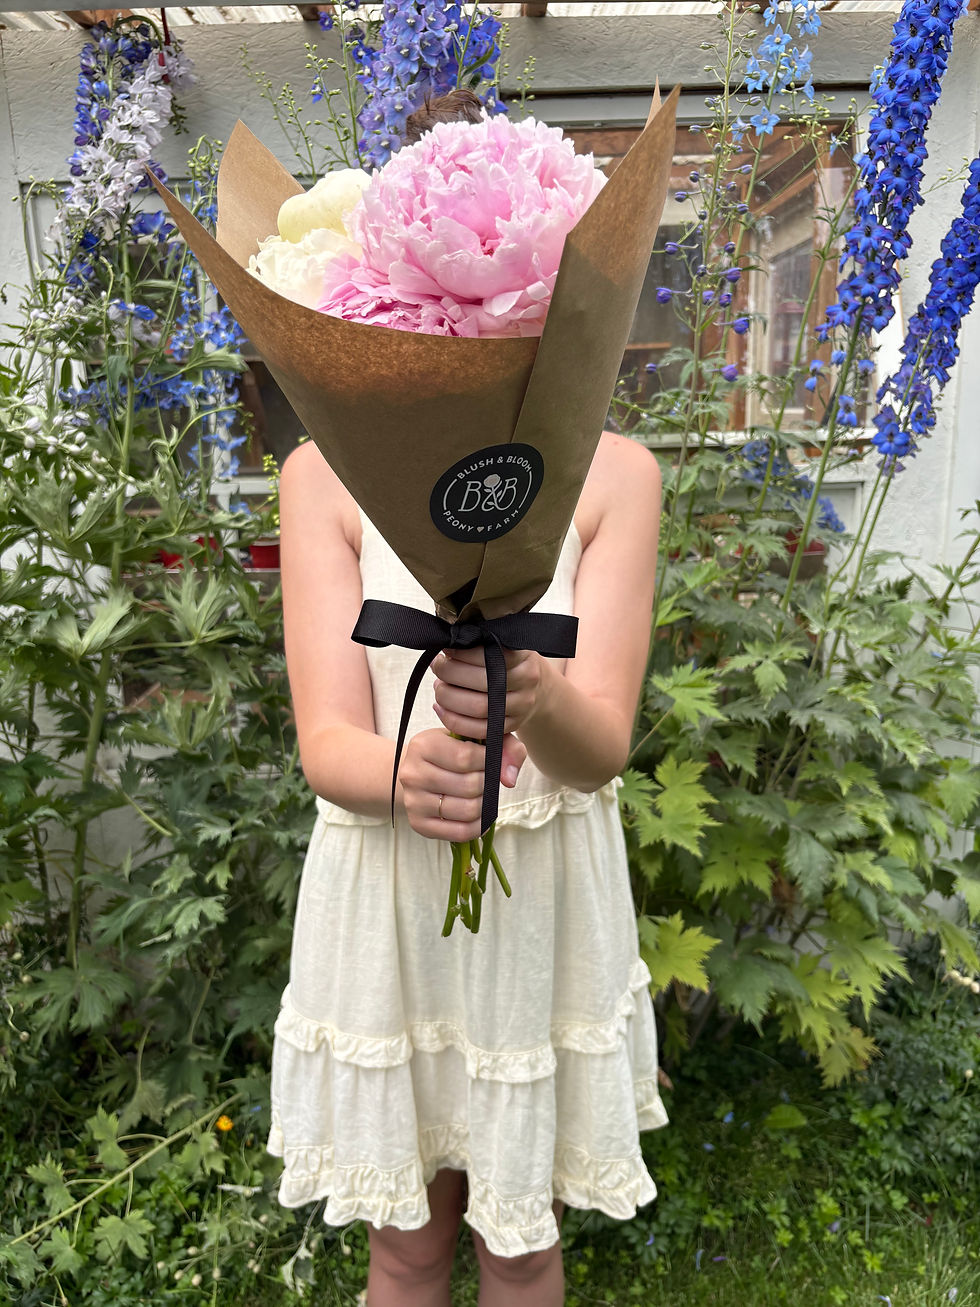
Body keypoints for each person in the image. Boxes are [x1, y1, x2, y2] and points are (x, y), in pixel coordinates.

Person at [267, 93, 668, 1307]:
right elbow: (326, 739)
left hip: (536, 910)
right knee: (403, 1244)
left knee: (520, 1243)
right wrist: (399, 772)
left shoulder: (617, 476)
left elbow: (598, 749)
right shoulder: (320, 476)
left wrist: (531, 690)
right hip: (388, 899)